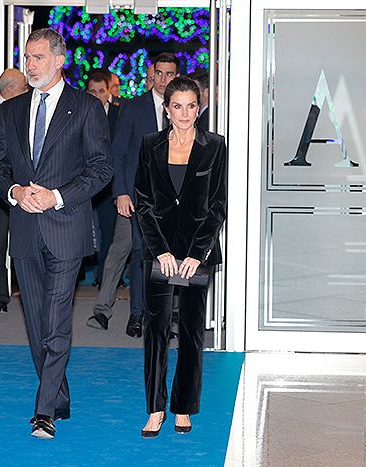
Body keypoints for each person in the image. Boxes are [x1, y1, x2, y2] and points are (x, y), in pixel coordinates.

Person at [0, 28, 112, 439]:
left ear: (60, 60)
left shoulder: (87, 108)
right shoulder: (12, 109)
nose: (30, 65)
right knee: (37, 323)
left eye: (38, 57)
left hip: (65, 227)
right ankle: (59, 391)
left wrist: (57, 195)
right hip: (23, 229)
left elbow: (101, 168)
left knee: (56, 320)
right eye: (28, 57)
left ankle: (44, 411)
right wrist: (15, 191)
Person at [134, 76, 226, 438]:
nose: (185, 113)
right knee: (155, 332)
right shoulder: (150, 145)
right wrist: (160, 250)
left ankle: (183, 407)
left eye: (191, 106)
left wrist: (194, 254)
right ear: (167, 109)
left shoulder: (215, 146)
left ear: (199, 108)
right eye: (177, 106)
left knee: (190, 333)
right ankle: (155, 409)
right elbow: (143, 201)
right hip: (158, 253)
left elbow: (217, 206)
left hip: (195, 255)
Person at [86, 52, 180, 338]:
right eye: (159, 73)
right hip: (139, 196)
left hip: (174, 197)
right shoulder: (134, 107)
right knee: (140, 253)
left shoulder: (181, 106)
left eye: (170, 74)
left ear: (176, 76)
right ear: (152, 73)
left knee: (171, 256)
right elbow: (119, 152)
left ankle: (167, 316)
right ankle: (137, 315)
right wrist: (121, 193)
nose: (163, 79)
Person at [0, 69, 29, 312]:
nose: (27, 92)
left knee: (22, 242)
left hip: (22, 189)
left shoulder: (24, 110)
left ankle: (23, 289)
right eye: (24, 88)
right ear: (11, 89)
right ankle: (0, 296)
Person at [86, 71, 120, 287]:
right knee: (82, 231)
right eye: (92, 91)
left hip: (109, 183)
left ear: (109, 92)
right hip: (83, 182)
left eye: (101, 91)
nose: (97, 95)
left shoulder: (120, 114)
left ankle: (102, 277)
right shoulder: (79, 111)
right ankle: (79, 273)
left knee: (109, 231)